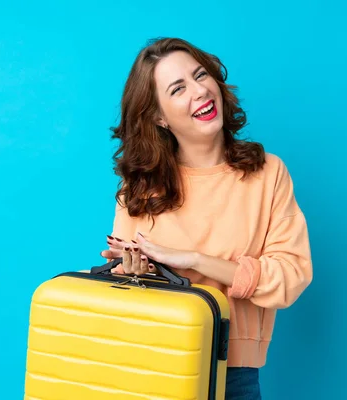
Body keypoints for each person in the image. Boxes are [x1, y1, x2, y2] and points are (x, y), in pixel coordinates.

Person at [99, 37, 313, 399]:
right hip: (151, 363)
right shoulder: (136, 188)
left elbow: (291, 277)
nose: (199, 91)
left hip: (234, 373)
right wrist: (137, 274)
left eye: (201, 76)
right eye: (178, 88)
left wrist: (196, 261)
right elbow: (123, 297)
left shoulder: (267, 173)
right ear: (158, 116)